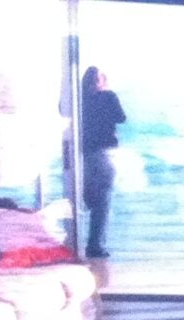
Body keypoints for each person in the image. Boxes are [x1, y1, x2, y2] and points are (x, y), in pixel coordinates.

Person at [78, 67, 126, 259]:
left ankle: (75, 239)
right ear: (101, 81)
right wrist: (106, 92)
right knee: (103, 200)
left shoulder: (78, 99)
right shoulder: (108, 96)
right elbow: (121, 117)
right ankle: (95, 245)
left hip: (83, 153)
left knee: (88, 197)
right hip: (104, 152)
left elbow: (61, 109)